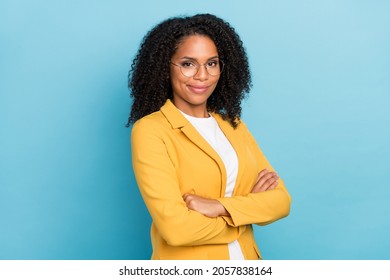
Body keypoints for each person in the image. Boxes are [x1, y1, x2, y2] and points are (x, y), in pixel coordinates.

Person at [127, 13, 291, 260]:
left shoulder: (233, 125)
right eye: (188, 64)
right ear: (165, 67)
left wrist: (219, 207)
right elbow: (177, 229)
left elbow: (281, 201)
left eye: (212, 63)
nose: (202, 75)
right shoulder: (151, 130)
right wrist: (246, 215)